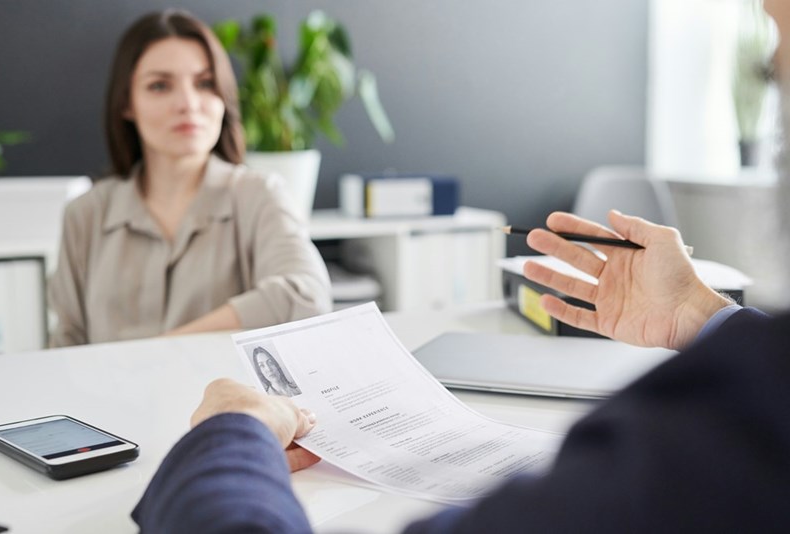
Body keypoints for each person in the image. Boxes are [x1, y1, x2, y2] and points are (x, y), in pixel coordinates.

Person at [132, 1, 790, 532]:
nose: (775, 74)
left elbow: (297, 287)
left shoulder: (718, 447)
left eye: (774, 61)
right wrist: (704, 318)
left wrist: (232, 434)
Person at [47, 10, 331, 347]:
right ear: (126, 104)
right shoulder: (86, 214)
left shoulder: (258, 194)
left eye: (205, 83)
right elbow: (65, 348)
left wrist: (161, 349)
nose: (188, 103)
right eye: (160, 86)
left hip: (227, 399)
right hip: (111, 400)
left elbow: (306, 298)